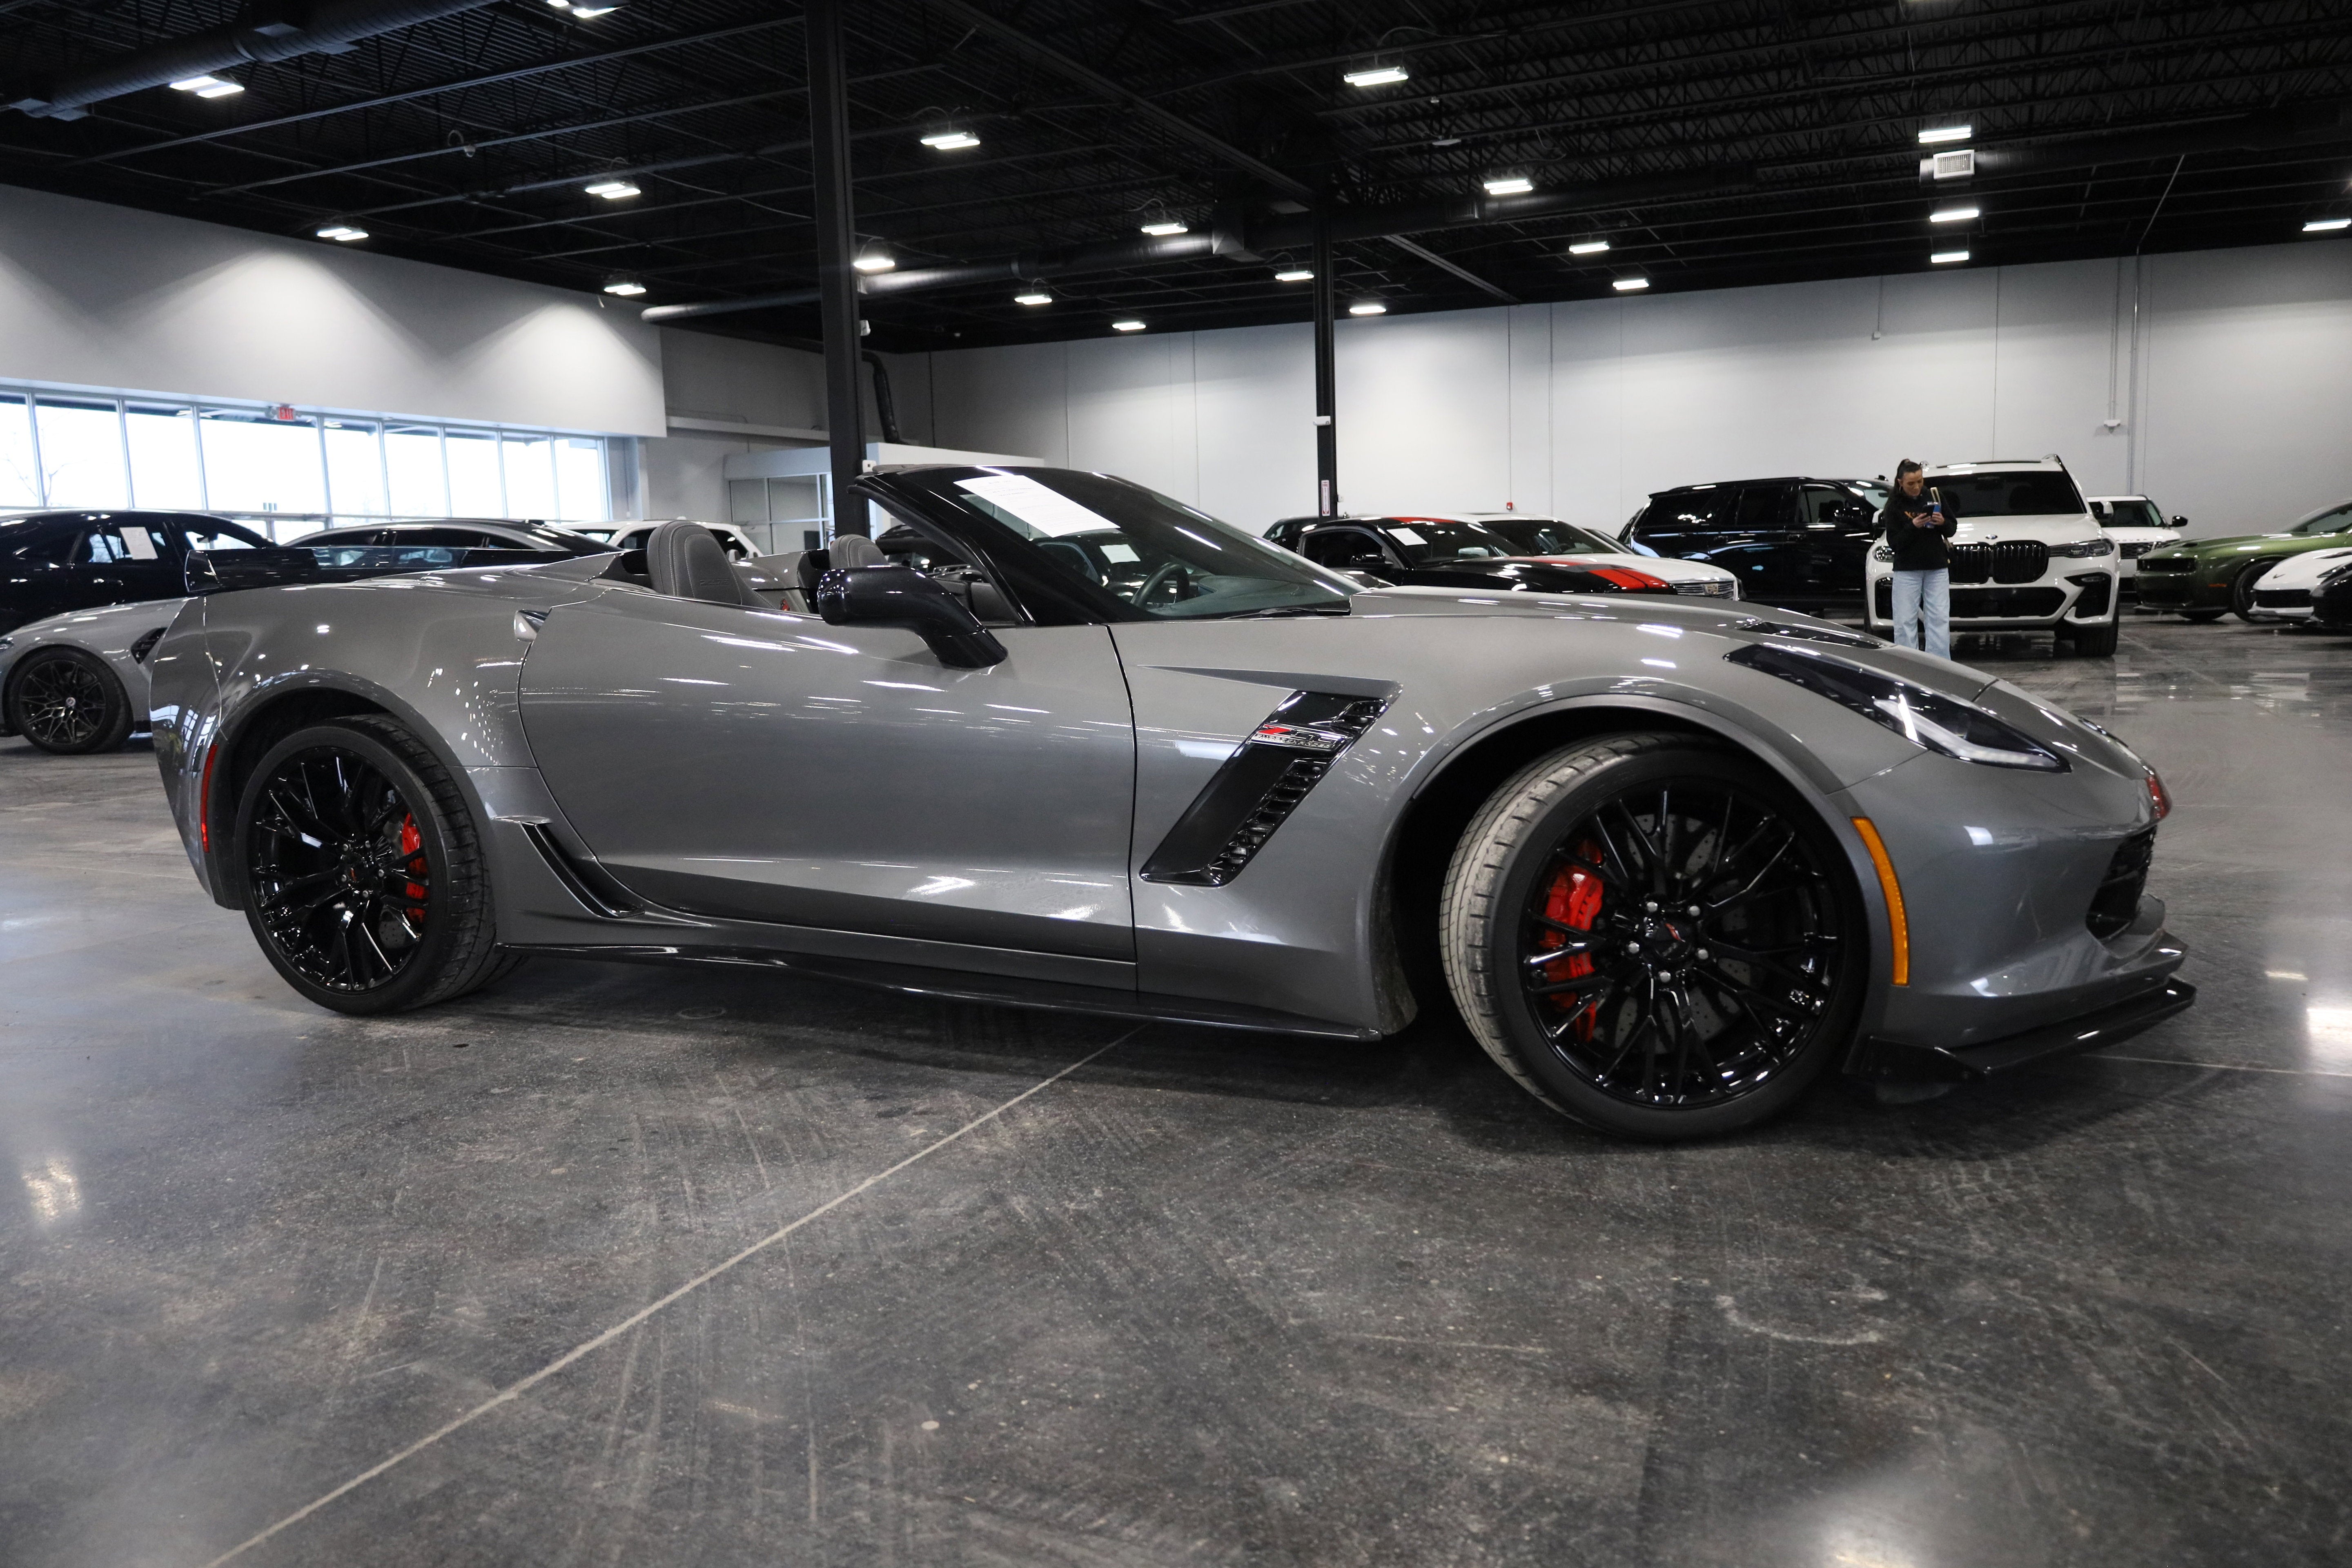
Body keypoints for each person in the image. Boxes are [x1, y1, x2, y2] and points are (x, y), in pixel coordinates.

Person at [1880, 459, 1957, 658]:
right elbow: (1895, 543)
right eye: (1911, 484)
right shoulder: (1894, 506)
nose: (1916, 487)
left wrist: (1942, 523)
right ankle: (1909, 664)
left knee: (1939, 619)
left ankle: (1940, 665)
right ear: (1900, 483)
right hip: (1907, 569)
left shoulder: (1934, 496)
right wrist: (1913, 526)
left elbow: (1952, 528)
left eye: (1920, 481)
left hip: (1936, 567)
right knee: (1905, 620)